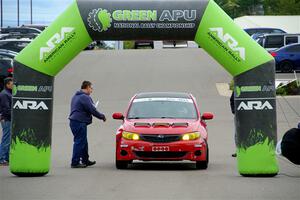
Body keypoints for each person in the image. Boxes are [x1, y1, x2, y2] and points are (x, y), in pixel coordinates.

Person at [69, 81, 106, 168]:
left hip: (74, 121)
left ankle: (85, 160)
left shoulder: (76, 96)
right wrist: (102, 117)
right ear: (87, 87)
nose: (92, 90)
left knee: (83, 142)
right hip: (79, 122)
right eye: (91, 88)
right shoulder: (85, 97)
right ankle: (75, 162)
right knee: (79, 142)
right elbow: (92, 110)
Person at [0, 78, 13, 166]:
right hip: (6, 119)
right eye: (12, 84)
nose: (13, 86)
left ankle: (7, 158)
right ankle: (1, 159)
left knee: (9, 139)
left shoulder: (8, 93)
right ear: (7, 85)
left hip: (8, 119)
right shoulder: (4, 94)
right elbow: (6, 109)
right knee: (6, 139)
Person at [230, 91, 237, 157]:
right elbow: (232, 99)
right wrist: (234, 111)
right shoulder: (237, 87)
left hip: (252, 114)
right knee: (238, 133)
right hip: (239, 115)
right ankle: (239, 150)